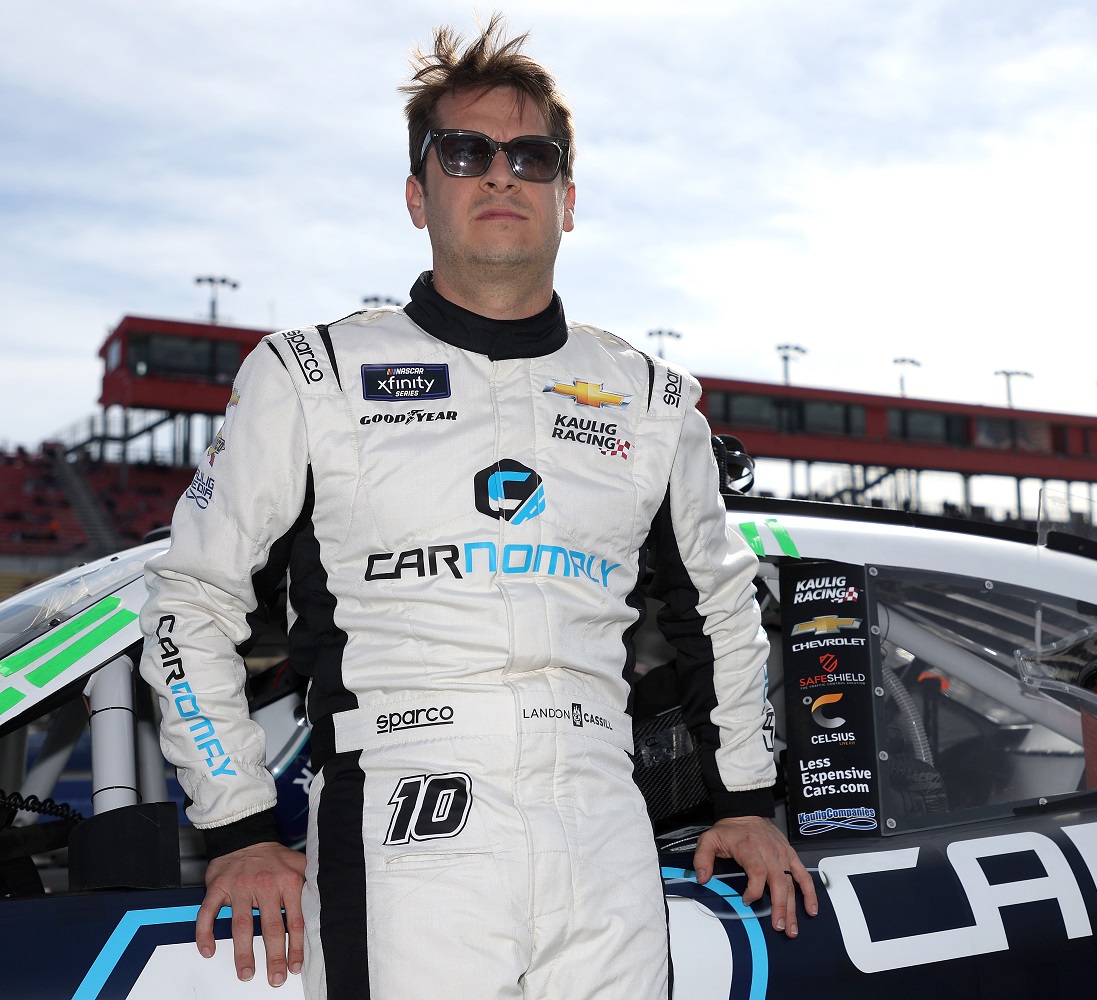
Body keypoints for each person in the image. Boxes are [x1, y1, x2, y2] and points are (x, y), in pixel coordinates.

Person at [141, 16, 815, 998]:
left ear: (567, 199)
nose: (502, 175)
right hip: (405, 812)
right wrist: (238, 824)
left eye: (531, 157)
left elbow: (721, 608)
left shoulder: (653, 398)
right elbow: (187, 600)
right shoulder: (312, 374)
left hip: (603, 817)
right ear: (420, 194)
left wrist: (747, 797)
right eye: (466, 152)